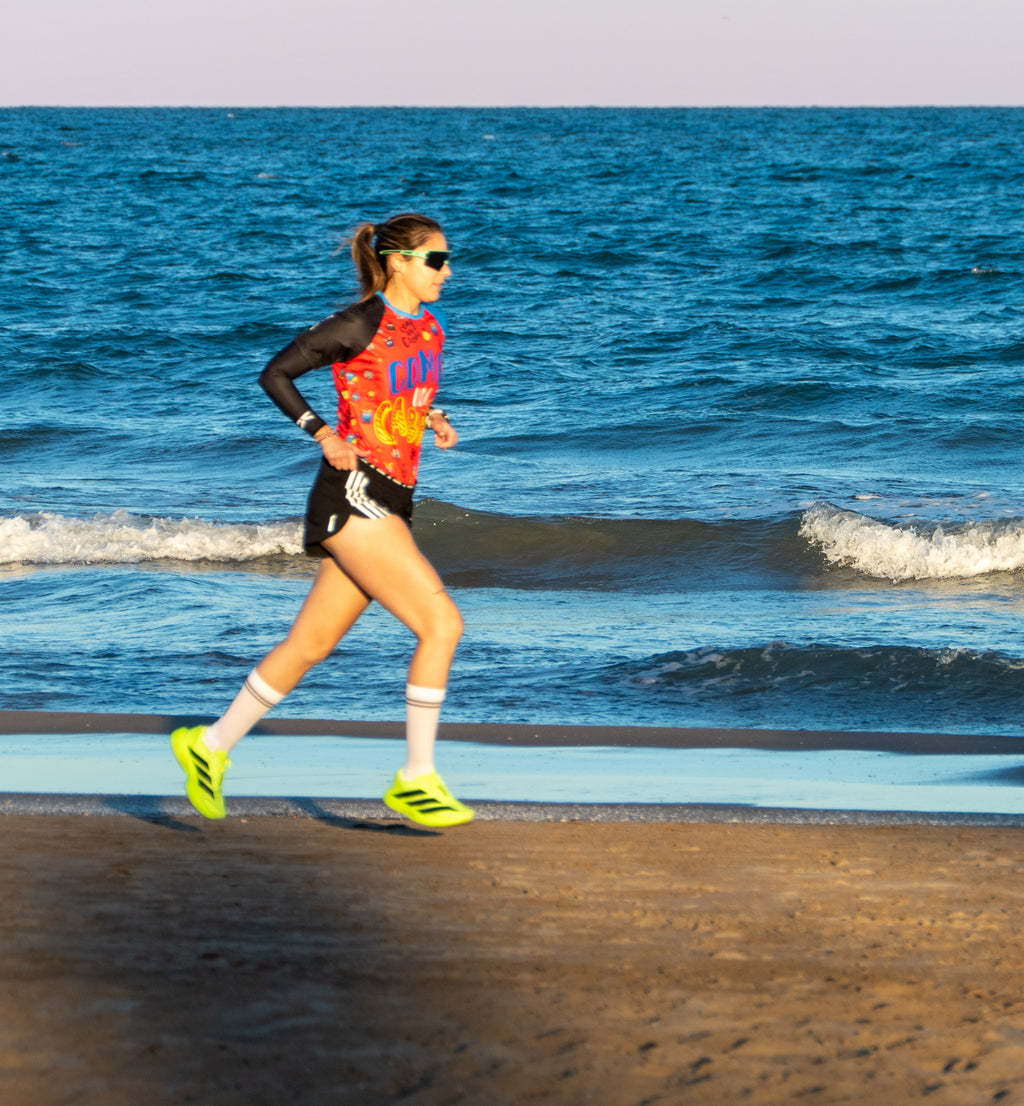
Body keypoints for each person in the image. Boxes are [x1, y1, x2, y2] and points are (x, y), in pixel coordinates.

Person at [171, 212, 473, 828]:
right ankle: (417, 778)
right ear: (398, 262)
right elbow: (274, 373)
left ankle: (210, 746)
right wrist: (323, 433)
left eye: (447, 260)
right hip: (354, 496)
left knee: (310, 644)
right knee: (442, 624)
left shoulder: (432, 329)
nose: (449, 271)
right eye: (437, 260)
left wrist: (430, 417)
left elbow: (392, 395)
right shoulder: (356, 323)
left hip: (393, 497)